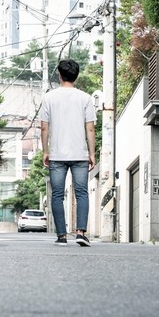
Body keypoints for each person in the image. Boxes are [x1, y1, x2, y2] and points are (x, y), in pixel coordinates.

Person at [39, 59, 96, 246]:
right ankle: (80, 233)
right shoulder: (86, 98)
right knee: (82, 193)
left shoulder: (49, 98)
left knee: (57, 195)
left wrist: (45, 151)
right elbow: (90, 129)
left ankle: (62, 236)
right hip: (79, 153)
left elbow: (44, 128)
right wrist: (92, 153)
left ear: (59, 75)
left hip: (57, 154)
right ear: (76, 76)